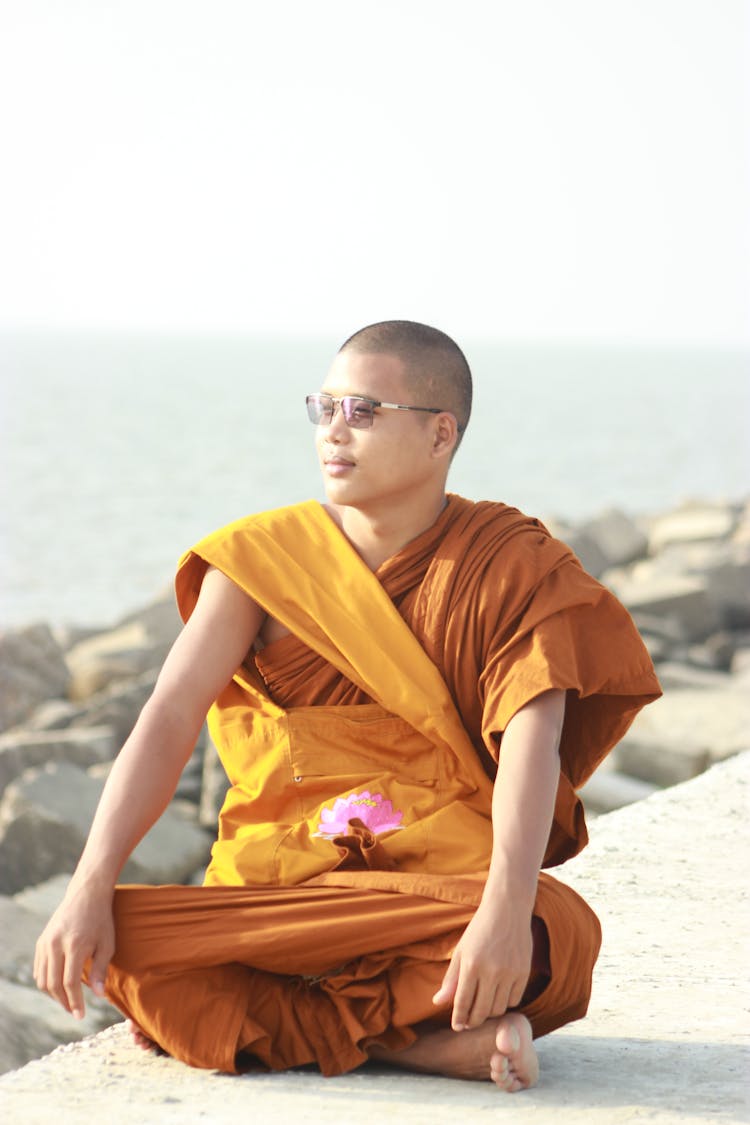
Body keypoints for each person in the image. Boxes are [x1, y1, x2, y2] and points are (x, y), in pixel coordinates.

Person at [34, 320, 660, 1092]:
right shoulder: (263, 562)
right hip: (283, 894)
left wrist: (502, 913)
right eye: (323, 407)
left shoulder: (511, 566)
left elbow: (534, 737)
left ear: (440, 434)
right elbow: (167, 716)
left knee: (547, 935)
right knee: (119, 941)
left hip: (439, 891)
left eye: (363, 411)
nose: (334, 431)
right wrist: (90, 883)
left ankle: (389, 1015)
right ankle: (425, 1043)